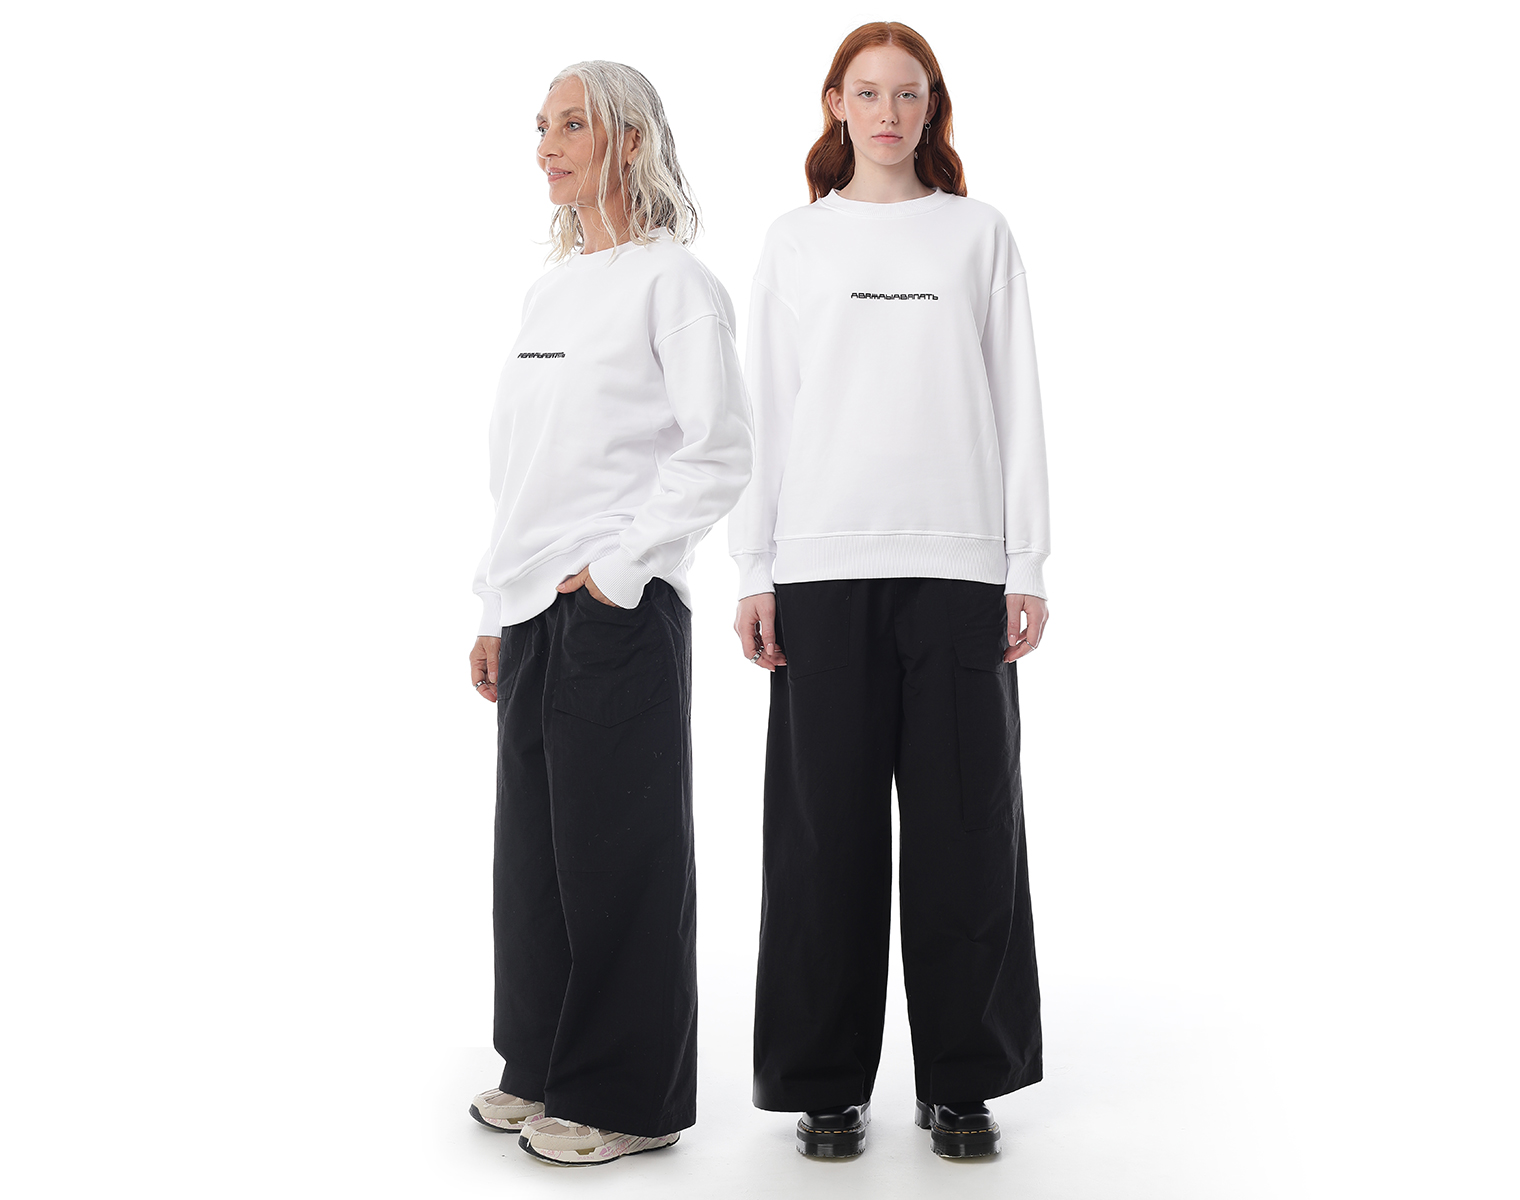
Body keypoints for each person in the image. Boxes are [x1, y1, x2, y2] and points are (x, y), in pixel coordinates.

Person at [728, 22, 1050, 1161]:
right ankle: (825, 1086)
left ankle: (963, 1083)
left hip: (959, 565)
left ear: (931, 107)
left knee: (968, 831)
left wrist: (1025, 560)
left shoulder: (978, 233)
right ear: (835, 103)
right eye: (865, 93)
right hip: (820, 566)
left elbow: (1016, 394)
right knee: (824, 839)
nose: (886, 113)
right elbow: (764, 411)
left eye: (906, 94)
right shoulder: (796, 242)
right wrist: (754, 566)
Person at [467, 59, 752, 1166]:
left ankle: (628, 1101)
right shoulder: (548, 295)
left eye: (573, 124)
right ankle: (543, 1065)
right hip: (534, 607)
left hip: (618, 611)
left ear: (629, 138)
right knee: (536, 861)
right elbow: (523, 463)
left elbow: (719, 449)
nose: (547, 144)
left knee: (621, 863)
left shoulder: (673, 283)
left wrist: (622, 569)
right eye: (541, 125)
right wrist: (495, 603)